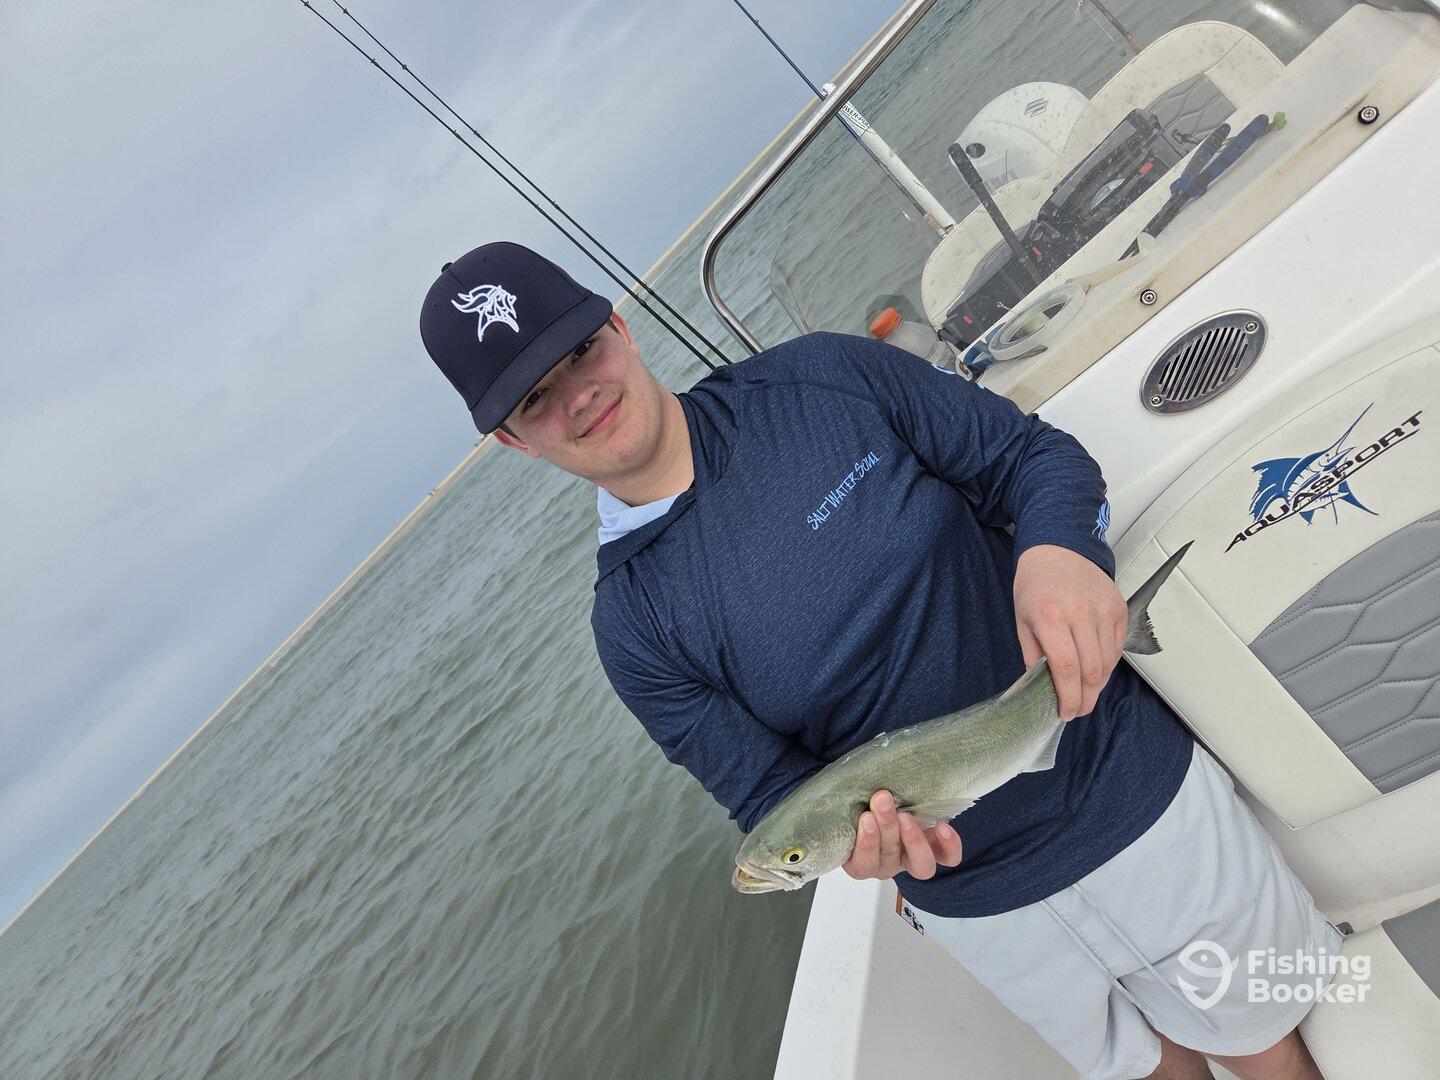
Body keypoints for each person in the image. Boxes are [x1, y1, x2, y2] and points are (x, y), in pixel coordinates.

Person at [420, 242, 1340, 1080]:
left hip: (1128, 791)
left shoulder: (821, 377)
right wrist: (871, 855)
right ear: (509, 439)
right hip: (982, 906)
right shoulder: (631, 626)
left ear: (617, 323)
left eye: (581, 351)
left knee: (1270, 1054)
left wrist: (1058, 550)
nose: (578, 393)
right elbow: (772, 797)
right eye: (535, 396)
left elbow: (1036, 461)